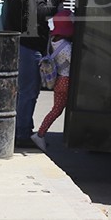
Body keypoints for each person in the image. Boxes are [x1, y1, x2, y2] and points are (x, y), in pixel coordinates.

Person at [4, 0, 64, 148]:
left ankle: (23, 128)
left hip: (25, 46)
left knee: (25, 92)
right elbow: (42, 12)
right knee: (28, 92)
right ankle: (21, 134)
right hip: (28, 48)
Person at [30, 9, 74, 151]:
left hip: (58, 81)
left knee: (56, 109)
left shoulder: (53, 42)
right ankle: (40, 134)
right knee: (57, 110)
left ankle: (41, 133)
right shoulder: (67, 47)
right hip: (66, 81)